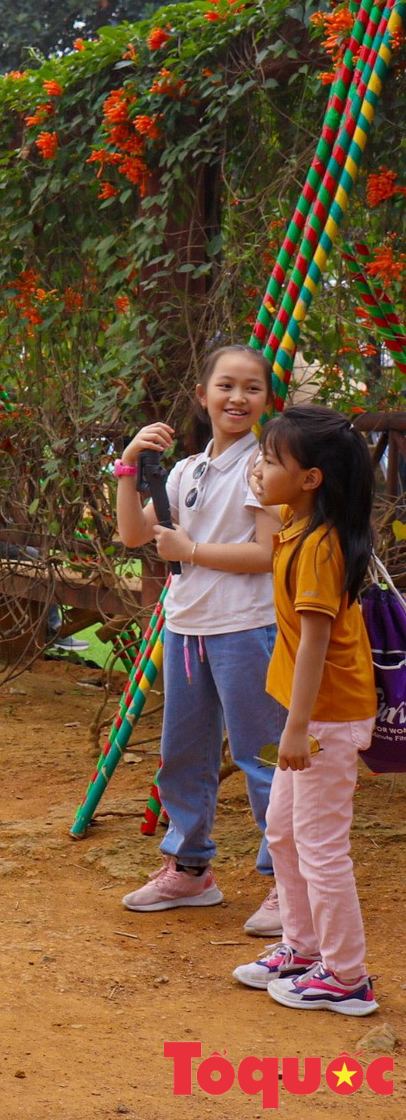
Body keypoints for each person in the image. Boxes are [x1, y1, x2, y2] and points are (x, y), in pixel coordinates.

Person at [113, 346, 284, 933]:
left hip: (248, 630)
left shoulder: (266, 464)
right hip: (187, 629)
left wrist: (191, 552)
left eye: (252, 389)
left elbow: (267, 554)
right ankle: (189, 870)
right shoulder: (186, 469)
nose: (238, 398)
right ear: (203, 393)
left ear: (267, 399)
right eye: (227, 386)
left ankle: (288, 882)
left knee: (262, 757)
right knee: (183, 755)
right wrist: (130, 464)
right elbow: (134, 532)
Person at [233, 404, 381, 1015]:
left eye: (271, 460)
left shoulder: (319, 546)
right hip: (309, 717)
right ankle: (301, 947)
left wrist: (295, 729)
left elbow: (316, 642)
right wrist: (267, 487)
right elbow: (272, 512)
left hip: (325, 719)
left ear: (311, 478)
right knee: (284, 833)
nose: (258, 469)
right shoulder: (297, 525)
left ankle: (347, 976)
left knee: (320, 846)